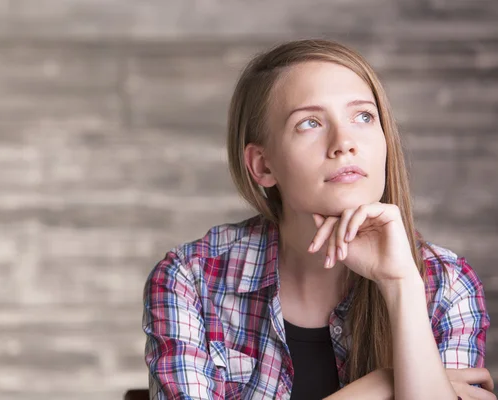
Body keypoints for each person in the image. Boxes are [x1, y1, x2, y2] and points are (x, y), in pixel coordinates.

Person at [141, 39, 494, 400]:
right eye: (309, 123)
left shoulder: (446, 284)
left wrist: (400, 285)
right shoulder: (192, 278)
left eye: (363, 117)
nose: (344, 142)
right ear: (263, 166)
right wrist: (382, 385)